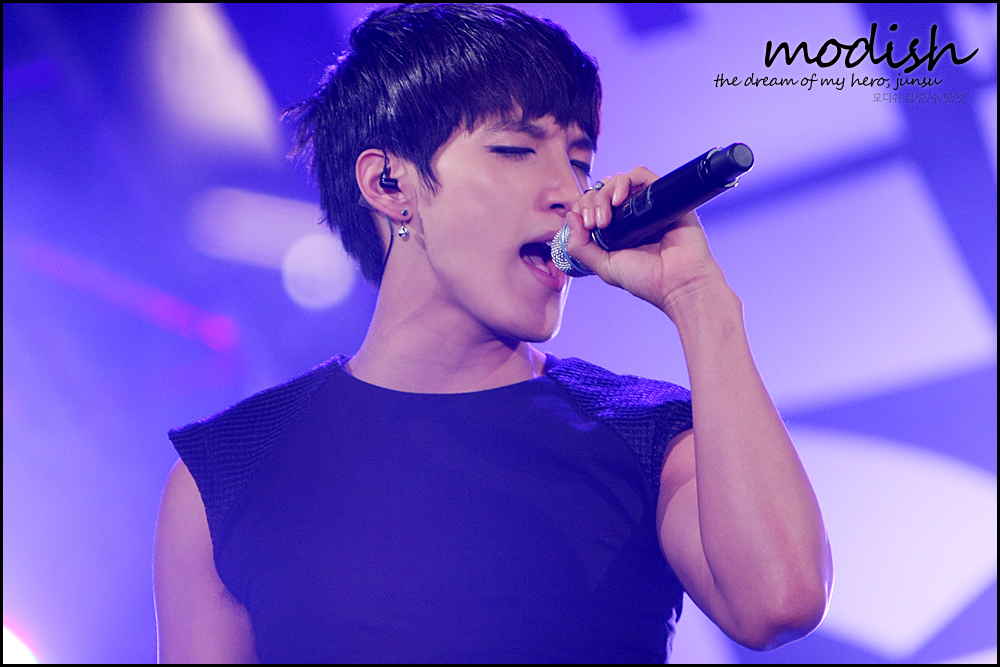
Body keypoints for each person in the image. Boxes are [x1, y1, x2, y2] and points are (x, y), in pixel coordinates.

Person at [154, 4, 832, 663]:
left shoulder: (647, 431)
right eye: (515, 150)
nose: (568, 191)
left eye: (579, 160)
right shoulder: (228, 472)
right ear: (390, 184)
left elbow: (780, 602)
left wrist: (697, 297)